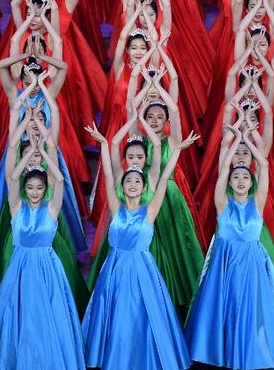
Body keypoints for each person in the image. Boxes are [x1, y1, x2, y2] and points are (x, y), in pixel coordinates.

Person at [0, 107, 84, 369]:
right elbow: (12, 176)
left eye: (39, 188)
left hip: (48, 270)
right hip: (20, 269)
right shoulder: (16, 207)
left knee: (47, 317)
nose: (35, 192)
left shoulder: (51, 208)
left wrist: (42, 149)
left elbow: (58, 179)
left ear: (44, 189)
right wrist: (29, 151)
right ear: (25, 188)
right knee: (18, 315)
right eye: (30, 187)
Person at [82, 121, 194, 370]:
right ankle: (115, 356)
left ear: (144, 187)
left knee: (144, 315)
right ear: (123, 187)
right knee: (117, 315)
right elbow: (109, 175)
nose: (132, 184)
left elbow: (164, 178)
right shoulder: (116, 208)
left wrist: (177, 150)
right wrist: (103, 144)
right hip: (115, 270)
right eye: (128, 182)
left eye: (137, 182)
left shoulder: (149, 211)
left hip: (143, 270)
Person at [184, 122, 274, 369]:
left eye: (245, 176)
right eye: (237, 177)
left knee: (251, 313)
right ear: (230, 182)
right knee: (225, 309)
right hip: (225, 267)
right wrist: (235, 144)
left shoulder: (257, 203)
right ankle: (223, 352)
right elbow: (223, 168)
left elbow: (264, 165)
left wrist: (247, 139)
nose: (241, 180)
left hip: (252, 268)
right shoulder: (222, 204)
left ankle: (251, 353)